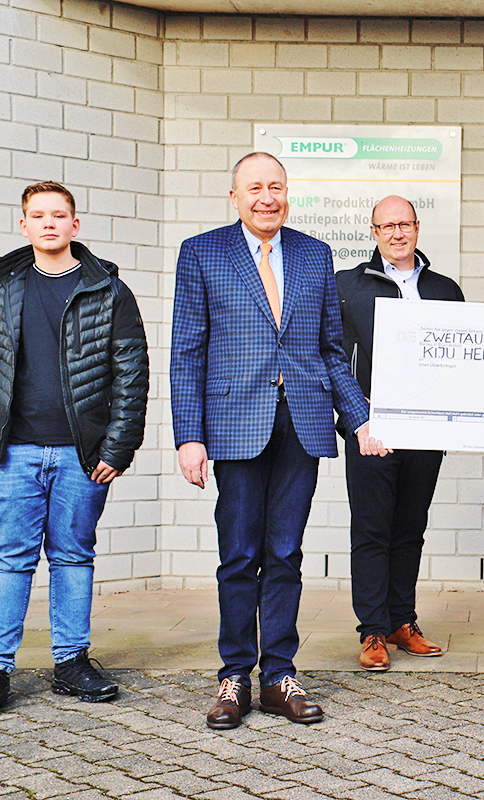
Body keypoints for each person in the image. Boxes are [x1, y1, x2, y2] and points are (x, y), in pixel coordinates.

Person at [171, 152, 387, 729]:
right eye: (255, 188)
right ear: (234, 196)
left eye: (277, 187)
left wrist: (360, 417)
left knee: (285, 554)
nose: (267, 197)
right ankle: (234, 677)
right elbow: (186, 351)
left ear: (288, 194)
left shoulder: (315, 255)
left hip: (303, 422)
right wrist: (188, 436)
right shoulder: (202, 253)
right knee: (239, 554)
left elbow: (331, 352)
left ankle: (278, 676)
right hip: (235, 425)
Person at [0, 181, 149, 721]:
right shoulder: (4, 291)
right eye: (37, 216)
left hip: (81, 455)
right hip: (12, 452)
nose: (48, 224)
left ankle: (71, 662)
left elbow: (132, 376)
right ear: (23, 225)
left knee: (72, 557)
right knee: (9, 561)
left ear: (74, 225)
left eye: (58, 215)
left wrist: (119, 445)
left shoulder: (109, 291)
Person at [336, 195, 464, 671]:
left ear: (416, 227)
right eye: (385, 226)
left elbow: (459, 357)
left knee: (410, 528)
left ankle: (401, 621)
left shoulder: (445, 289)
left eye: (404, 224)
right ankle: (371, 630)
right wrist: (355, 419)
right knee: (372, 529)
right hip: (371, 430)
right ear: (373, 232)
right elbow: (331, 357)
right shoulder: (347, 286)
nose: (396, 233)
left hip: (426, 430)